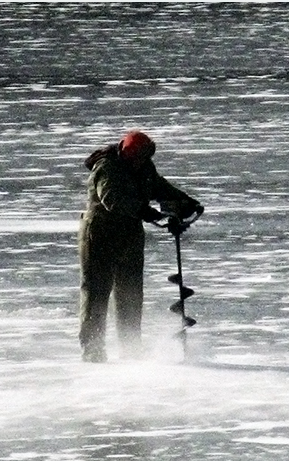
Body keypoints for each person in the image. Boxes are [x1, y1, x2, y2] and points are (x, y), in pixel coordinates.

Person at [78, 130, 203, 362]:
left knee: (131, 295)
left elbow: (160, 187)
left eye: (144, 158)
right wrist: (144, 210)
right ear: (126, 154)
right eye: (137, 158)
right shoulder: (107, 168)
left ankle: (131, 349)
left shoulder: (145, 167)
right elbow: (111, 198)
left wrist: (186, 202)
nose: (140, 162)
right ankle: (92, 352)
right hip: (100, 236)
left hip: (130, 236)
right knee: (96, 295)